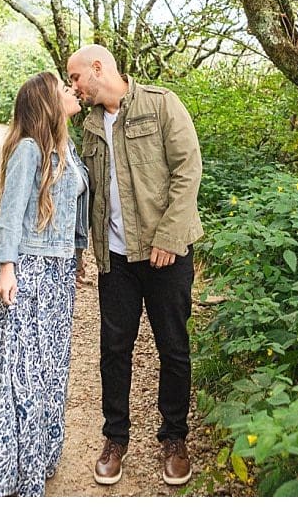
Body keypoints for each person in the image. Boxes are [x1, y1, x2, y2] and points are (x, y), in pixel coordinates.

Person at [64, 45, 203, 487]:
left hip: (167, 252)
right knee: (114, 349)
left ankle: (174, 438)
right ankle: (115, 438)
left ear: (98, 68)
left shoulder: (162, 104)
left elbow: (188, 169)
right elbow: (85, 190)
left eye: (76, 77)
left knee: (173, 347)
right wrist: (84, 248)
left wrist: (168, 236)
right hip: (117, 259)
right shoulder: (86, 124)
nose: (74, 87)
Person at [0, 72, 91, 496]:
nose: (71, 91)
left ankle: (37, 457)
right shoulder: (29, 149)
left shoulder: (66, 148)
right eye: (62, 88)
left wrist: (77, 255)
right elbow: (10, 213)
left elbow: (73, 210)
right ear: (46, 102)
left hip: (58, 275)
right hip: (31, 271)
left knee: (51, 371)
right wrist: (6, 266)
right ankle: (7, 468)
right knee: (22, 371)